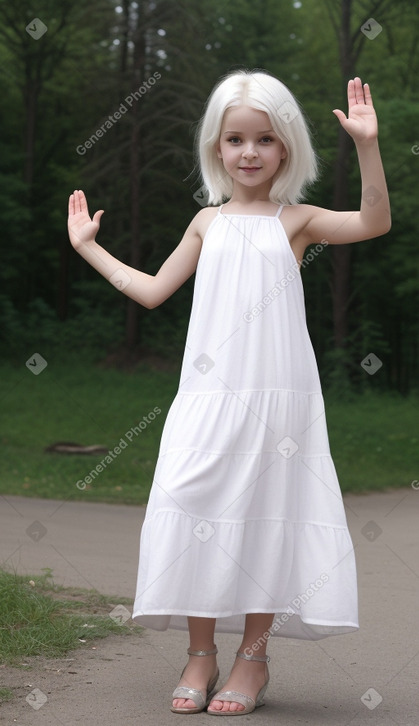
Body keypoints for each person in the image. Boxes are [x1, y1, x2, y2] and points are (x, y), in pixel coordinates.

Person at [68, 70, 391, 716]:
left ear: (285, 148)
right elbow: (154, 290)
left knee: (263, 518)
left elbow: (373, 222)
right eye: (235, 139)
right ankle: (199, 652)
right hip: (206, 399)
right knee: (194, 510)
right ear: (216, 148)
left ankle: (251, 658)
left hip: (278, 401)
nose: (249, 152)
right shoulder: (205, 222)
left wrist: (365, 144)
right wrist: (88, 249)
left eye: (265, 139)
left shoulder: (294, 220)